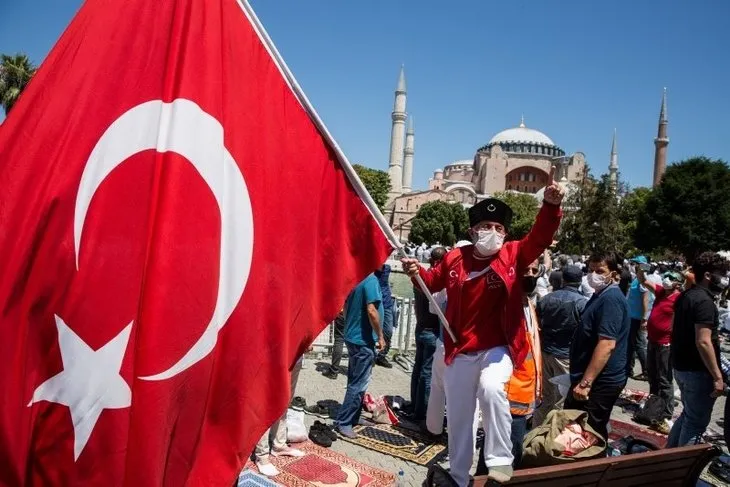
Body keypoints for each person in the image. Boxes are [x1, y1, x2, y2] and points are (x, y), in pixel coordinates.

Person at [401, 167, 564, 486]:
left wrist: (551, 206)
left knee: (491, 389)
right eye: (485, 226)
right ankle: (460, 475)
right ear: (474, 230)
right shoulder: (454, 258)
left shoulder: (513, 254)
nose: (492, 231)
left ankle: (500, 459)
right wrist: (414, 270)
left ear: (505, 232)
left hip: (499, 347)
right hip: (460, 349)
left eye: (498, 227)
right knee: (459, 416)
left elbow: (540, 237)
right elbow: (431, 282)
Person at [476, 260, 544, 473]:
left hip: (523, 396)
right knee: (503, 458)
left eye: (534, 270)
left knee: (500, 453)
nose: (531, 275)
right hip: (508, 398)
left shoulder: (528, 304)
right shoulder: (505, 306)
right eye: (526, 270)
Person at [565, 251, 631, 442]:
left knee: (589, 433)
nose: (593, 275)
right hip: (589, 377)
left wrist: (586, 383)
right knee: (578, 428)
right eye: (590, 270)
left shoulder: (611, 299)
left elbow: (607, 344)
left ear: (614, 273)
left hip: (600, 382)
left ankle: (592, 468)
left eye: (600, 271)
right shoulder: (600, 294)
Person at [668, 252, 730, 447]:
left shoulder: (687, 295)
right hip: (697, 371)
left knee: (688, 415)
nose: (725, 278)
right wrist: (717, 376)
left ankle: (669, 455)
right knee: (695, 423)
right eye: (723, 273)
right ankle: (681, 468)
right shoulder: (704, 302)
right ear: (708, 276)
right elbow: (703, 342)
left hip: (681, 367)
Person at [533, 265, 588, 426]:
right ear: (580, 282)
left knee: (544, 396)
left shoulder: (546, 299)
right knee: (561, 399)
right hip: (565, 356)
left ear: (563, 279)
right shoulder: (581, 303)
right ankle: (554, 435)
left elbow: (537, 324)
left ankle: (537, 431)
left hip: (545, 352)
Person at [334, 274, 386, 438]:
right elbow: (372, 310)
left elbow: (346, 305)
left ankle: (354, 416)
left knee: (355, 381)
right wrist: (380, 335)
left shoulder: (356, 278)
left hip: (353, 337)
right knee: (358, 384)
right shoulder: (371, 280)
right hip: (363, 340)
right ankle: (344, 422)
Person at [639, 269, 683, 434]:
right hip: (652, 340)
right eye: (667, 276)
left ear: (678, 283)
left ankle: (666, 413)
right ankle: (653, 406)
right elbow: (644, 281)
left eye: (672, 278)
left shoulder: (678, 298)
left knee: (664, 378)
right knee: (653, 375)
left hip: (665, 344)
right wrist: (639, 270)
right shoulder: (661, 292)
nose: (667, 279)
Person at [410, 247, 447, 423]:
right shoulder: (435, 281)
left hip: (421, 327)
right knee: (426, 373)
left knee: (418, 369)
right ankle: (421, 412)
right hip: (432, 330)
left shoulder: (419, 278)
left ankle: (414, 405)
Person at [254, 355, 306, 476]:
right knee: (266, 406)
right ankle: (262, 456)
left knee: (284, 403)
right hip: (274, 357)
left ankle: (279, 445)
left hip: (296, 357)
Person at [627, 256, 653, 381]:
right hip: (632, 316)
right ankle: (628, 368)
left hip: (637, 317)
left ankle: (647, 371)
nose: (632, 265)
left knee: (639, 344)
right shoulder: (636, 279)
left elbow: (645, 299)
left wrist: (644, 317)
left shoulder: (642, 280)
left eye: (634, 263)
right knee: (631, 343)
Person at [374, 264, 394, 368]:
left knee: (388, 331)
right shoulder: (370, 270)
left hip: (386, 304)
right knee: (371, 330)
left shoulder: (387, 268)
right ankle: (371, 355)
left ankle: (381, 355)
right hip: (374, 303)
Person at [323, 309, 345, 380]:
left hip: (342, 312)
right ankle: (354, 371)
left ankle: (334, 371)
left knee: (339, 340)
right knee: (352, 341)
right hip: (354, 314)